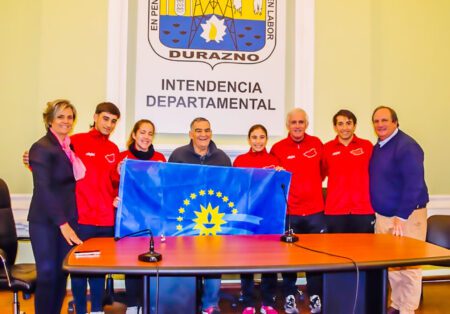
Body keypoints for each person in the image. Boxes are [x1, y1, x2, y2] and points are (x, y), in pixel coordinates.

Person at [369, 106, 429, 314]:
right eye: (376, 121)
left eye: (384, 120)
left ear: (395, 122)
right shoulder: (380, 146)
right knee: (393, 265)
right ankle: (396, 304)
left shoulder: (407, 146)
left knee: (410, 265)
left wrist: (401, 216)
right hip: (385, 216)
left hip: (407, 217)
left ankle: (407, 309)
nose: (380, 125)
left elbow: (414, 185)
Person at [169, 117, 231, 314]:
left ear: (211, 133)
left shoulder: (222, 158)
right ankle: (187, 303)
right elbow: (169, 186)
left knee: (213, 263)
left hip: (213, 220)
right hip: (185, 219)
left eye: (206, 130)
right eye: (198, 130)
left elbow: (230, 188)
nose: (203, 134)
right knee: (187, 263)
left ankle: (210, 305)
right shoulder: (178, 155)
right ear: (191, 134)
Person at [28, 99, 83, 314]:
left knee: (62, 274)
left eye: (70, 117)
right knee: (48, 273)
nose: (66, 121)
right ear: (50, 120)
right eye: (61, 116)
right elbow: (44, 189)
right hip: (45, 221)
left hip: (68, 219)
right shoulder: (41, 147)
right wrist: (63, 224)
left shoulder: (69, 147)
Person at [270, 108, 326, 314]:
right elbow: (276, 180)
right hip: (290, 212)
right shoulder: (277, 148)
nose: (297, 126)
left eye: (301, 122)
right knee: (289, 259)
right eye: (293, 122)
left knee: (315, 258)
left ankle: (315, 296)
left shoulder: (317, 143)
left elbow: (323, 171)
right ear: (288, 125)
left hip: (315, 211)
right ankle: (289, 296)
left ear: (306, 124)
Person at [69, 102, 121, 314]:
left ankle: (98, 310)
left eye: (113, 121)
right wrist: (31, 160)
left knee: (99, 271)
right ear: (96, 116)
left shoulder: (113, 149)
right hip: (82, 219)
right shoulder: (75, 141)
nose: (109, 124)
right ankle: (81, 310)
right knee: (79, 271)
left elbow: (113, 182)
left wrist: (119, 177)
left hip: (106, 220)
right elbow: (52, 163)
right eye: (106, 119)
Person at [117, 119, 166, 314]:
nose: (146, 137)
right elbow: (114, 185)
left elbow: (165, 188)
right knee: (131, 261)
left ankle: (150, 304)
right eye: (142, 132)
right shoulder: (124, 158)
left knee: (153, 261)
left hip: (153, 218)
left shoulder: (160, 158)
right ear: (135, 135)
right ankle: (131, 305)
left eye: (150, 133)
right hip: (130, 218)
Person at [233, 124, 280, 314]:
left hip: (269, 217)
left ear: (266, 139)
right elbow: (235, 188)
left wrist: (279, 174)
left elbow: (280, 189)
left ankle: (268, 301)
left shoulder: (275, 160)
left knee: (270, 260)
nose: (258, 141)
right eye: (254, 137)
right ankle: (249, 302)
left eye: (261, 137)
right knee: (247, 261)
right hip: (246, 217)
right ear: (249, 139)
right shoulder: (240, 160)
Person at [322, 109, 375, 233]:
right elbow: (318, 174)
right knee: (336, 251)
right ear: (335, 127)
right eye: (340, 124)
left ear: (354, 126)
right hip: (335, 211)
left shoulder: (366, 146)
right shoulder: (326, 148)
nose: (345, 127)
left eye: (348, 123)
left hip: (363, 210)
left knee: (364, 251)